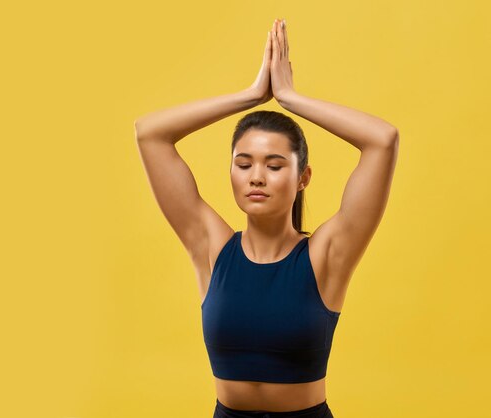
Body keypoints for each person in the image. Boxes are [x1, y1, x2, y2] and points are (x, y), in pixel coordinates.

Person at [134, 17, 399, 418]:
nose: (257, 176)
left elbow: (383, 141)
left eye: (275, 165)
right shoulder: (211, 246)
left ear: (302, 177)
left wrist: (290, 98)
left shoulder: (327, 254)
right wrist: (253, 95)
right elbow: (150, 133)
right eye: (244, 164)